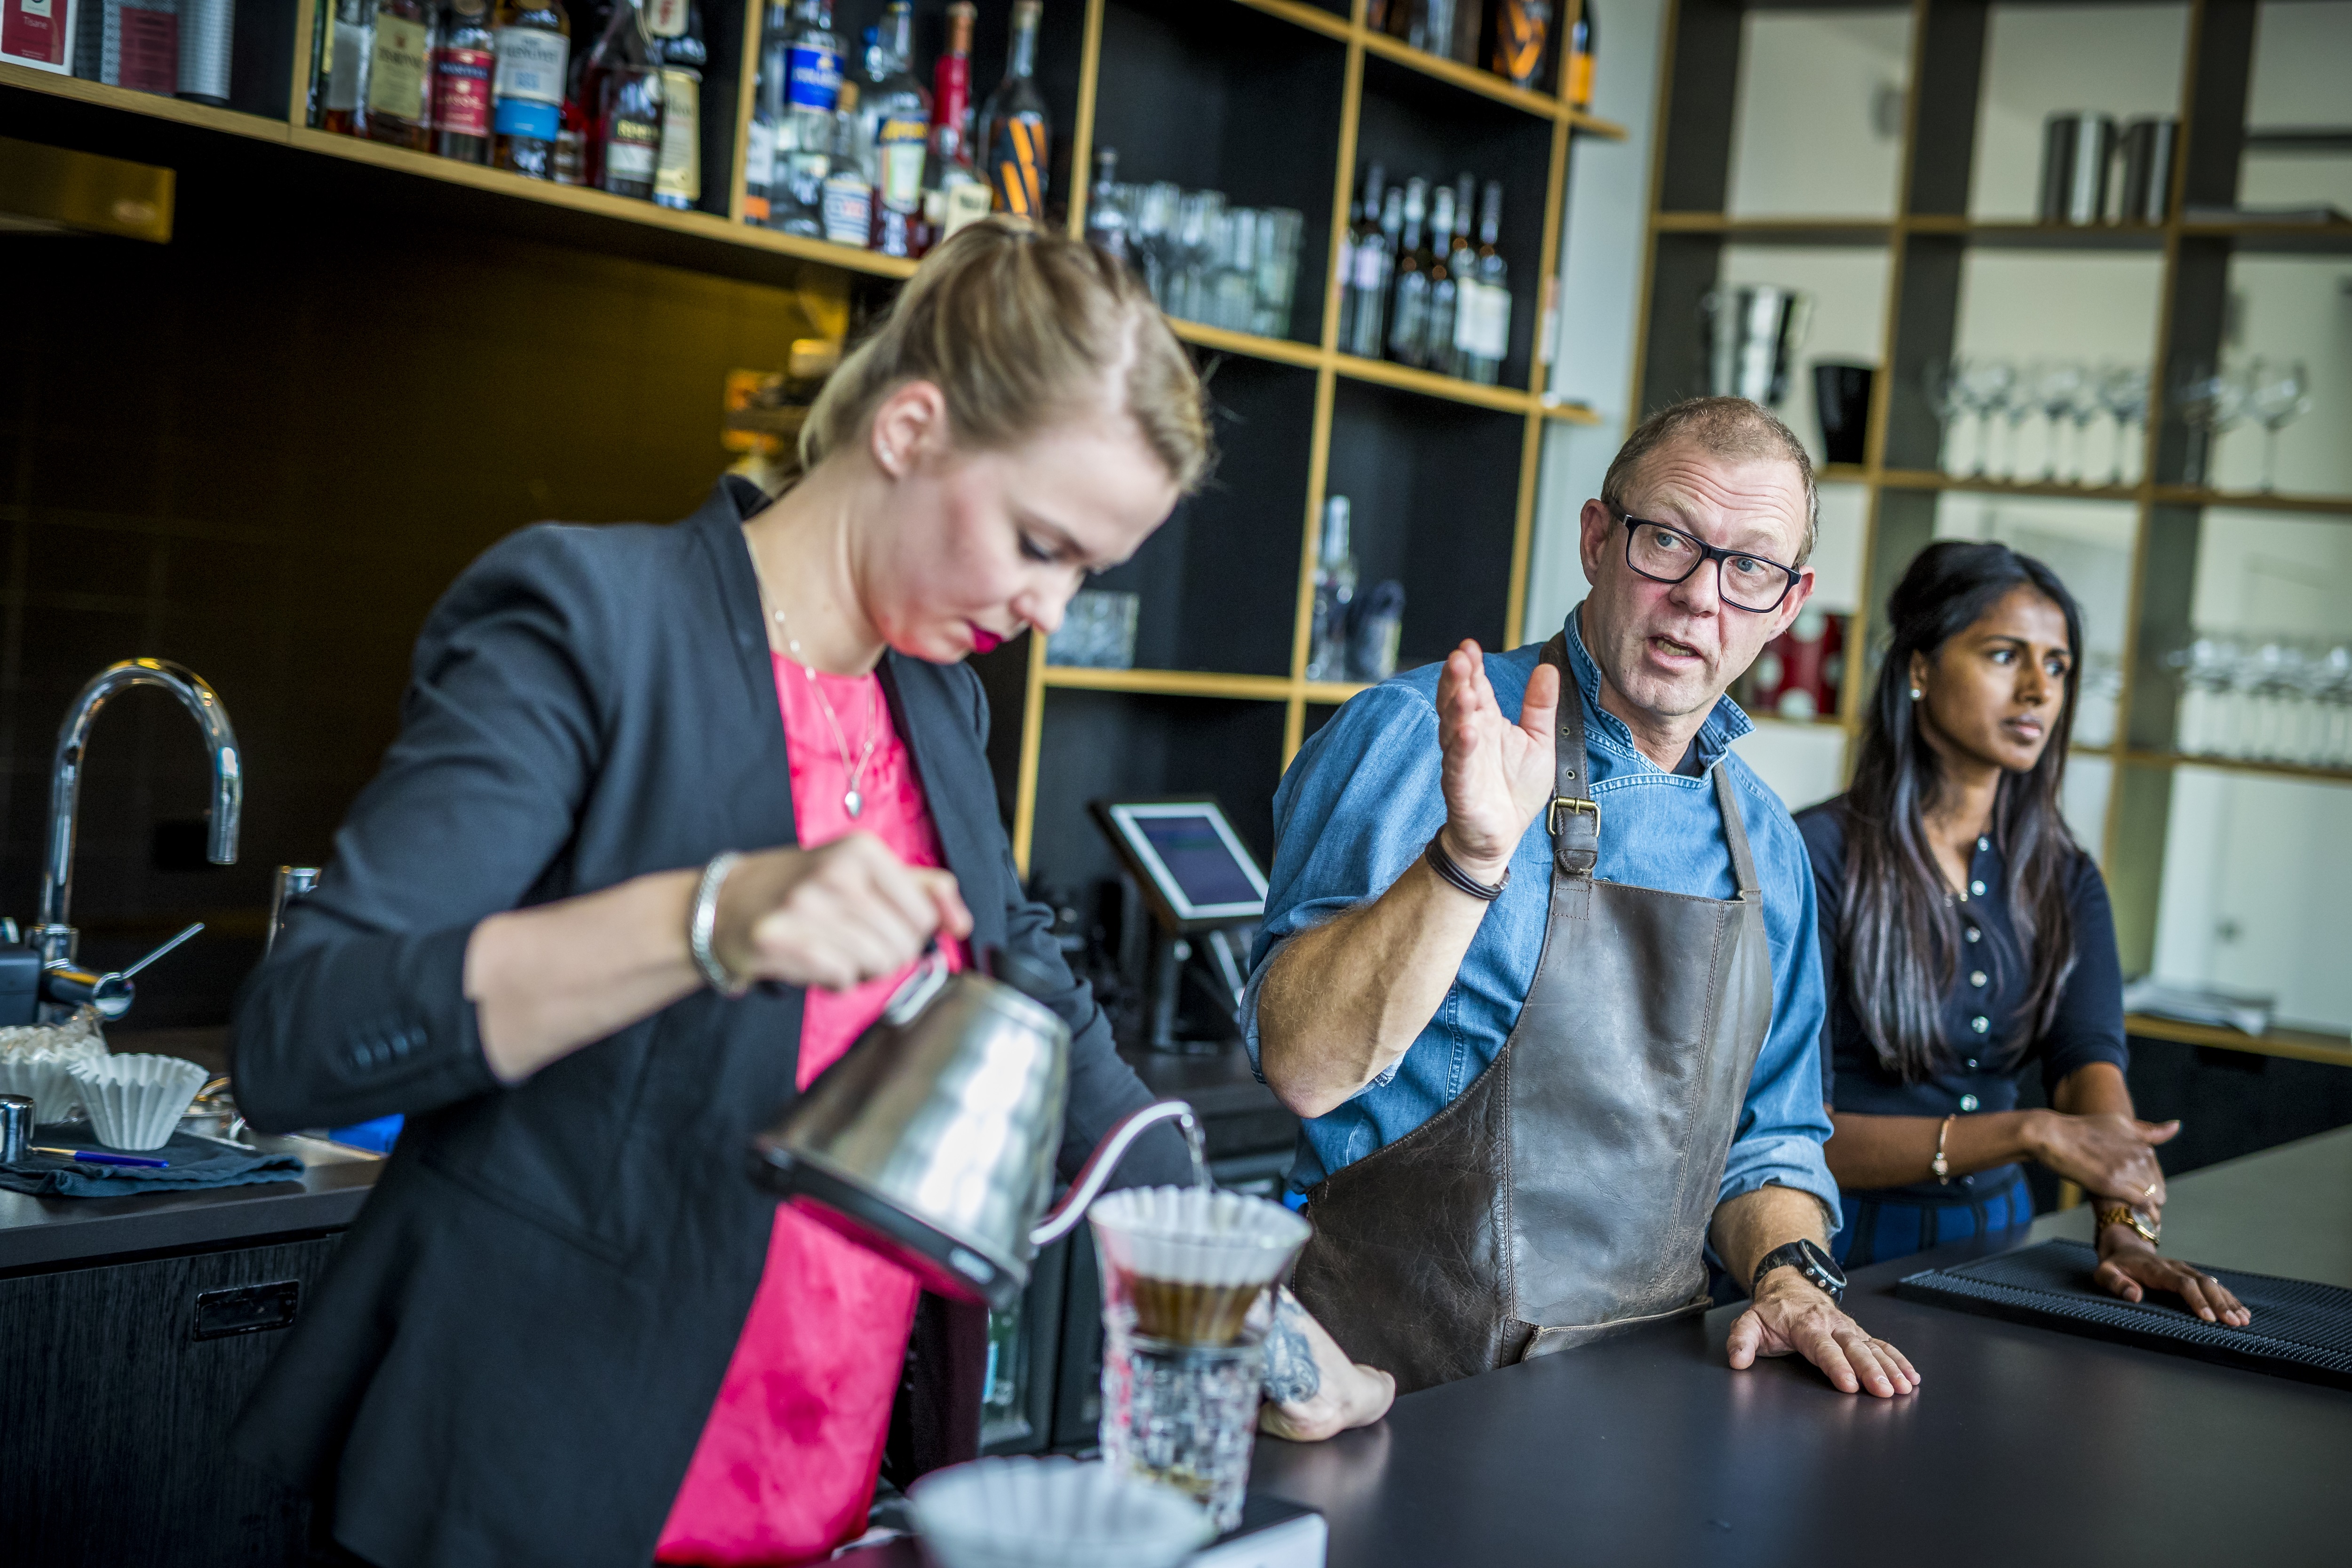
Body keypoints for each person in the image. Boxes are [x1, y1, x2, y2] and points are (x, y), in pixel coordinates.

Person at [228, 219, 1391, 1568]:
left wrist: (1271, 1326)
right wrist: (705, 917)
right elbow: (301, 1032)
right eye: (1038, 541)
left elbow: (1034, 992)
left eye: (1087, 570)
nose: (1050, 608)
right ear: (908, 425)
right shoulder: (594, 618)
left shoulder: (933, 693)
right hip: (540, 1483)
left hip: (827, 1487)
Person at [1250, 397, 1918, 1400]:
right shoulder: (1411, 739)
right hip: (1384, 1397)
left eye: (1748, 568)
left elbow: (1769, 1140)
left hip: (1643, 1414)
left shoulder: (1766, 845)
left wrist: (1788, 1275)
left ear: (1788, 603)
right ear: (1598, 539)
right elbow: (1298, 1064)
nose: (1701, 597)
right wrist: (1469, 854)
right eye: (1668, 541)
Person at [1801, 540, 2249, 1326]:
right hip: (1824, 1249)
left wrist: (2125, 1229)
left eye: (2060, 665)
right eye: (2006, 655)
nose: (2041, 689)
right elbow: (1786, 1130)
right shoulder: (1817, 855)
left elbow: (2089, 1067)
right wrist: (2031, 1132)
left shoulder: (2063, 875)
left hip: (2001, 1249)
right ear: (1919, 667)